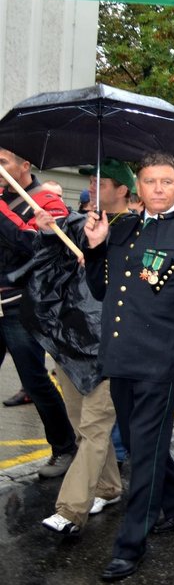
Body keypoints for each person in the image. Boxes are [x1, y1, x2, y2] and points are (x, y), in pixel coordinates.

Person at [83, 151, 174, 582]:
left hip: (162, 364)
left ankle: (130, 544)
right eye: (149, 181)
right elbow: (102, 290)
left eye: (166, 182)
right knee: (146, 448)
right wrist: (97, 245)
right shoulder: (120, 229)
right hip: (121, 360)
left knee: (143, 457)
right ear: (137, 187)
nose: (158, 189)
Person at [28, 159, 135, 536]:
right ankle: (107, 486)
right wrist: (46, 235)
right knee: (82, 426)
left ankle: (70, 510)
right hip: (71, 342)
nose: (93, 185)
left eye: (101, 181)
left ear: (122, 189)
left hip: (110, 347)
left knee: (93, 428)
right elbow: (42, 273)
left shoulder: (135, 231)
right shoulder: (76, 224)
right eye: (90, 179)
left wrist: (98, 256)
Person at [0, 147, 78, 477]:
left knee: (34, 381)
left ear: (24, 166)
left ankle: (64, 447)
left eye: (2, 163)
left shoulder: (47, 201)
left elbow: (34, 247)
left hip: (22, 304)